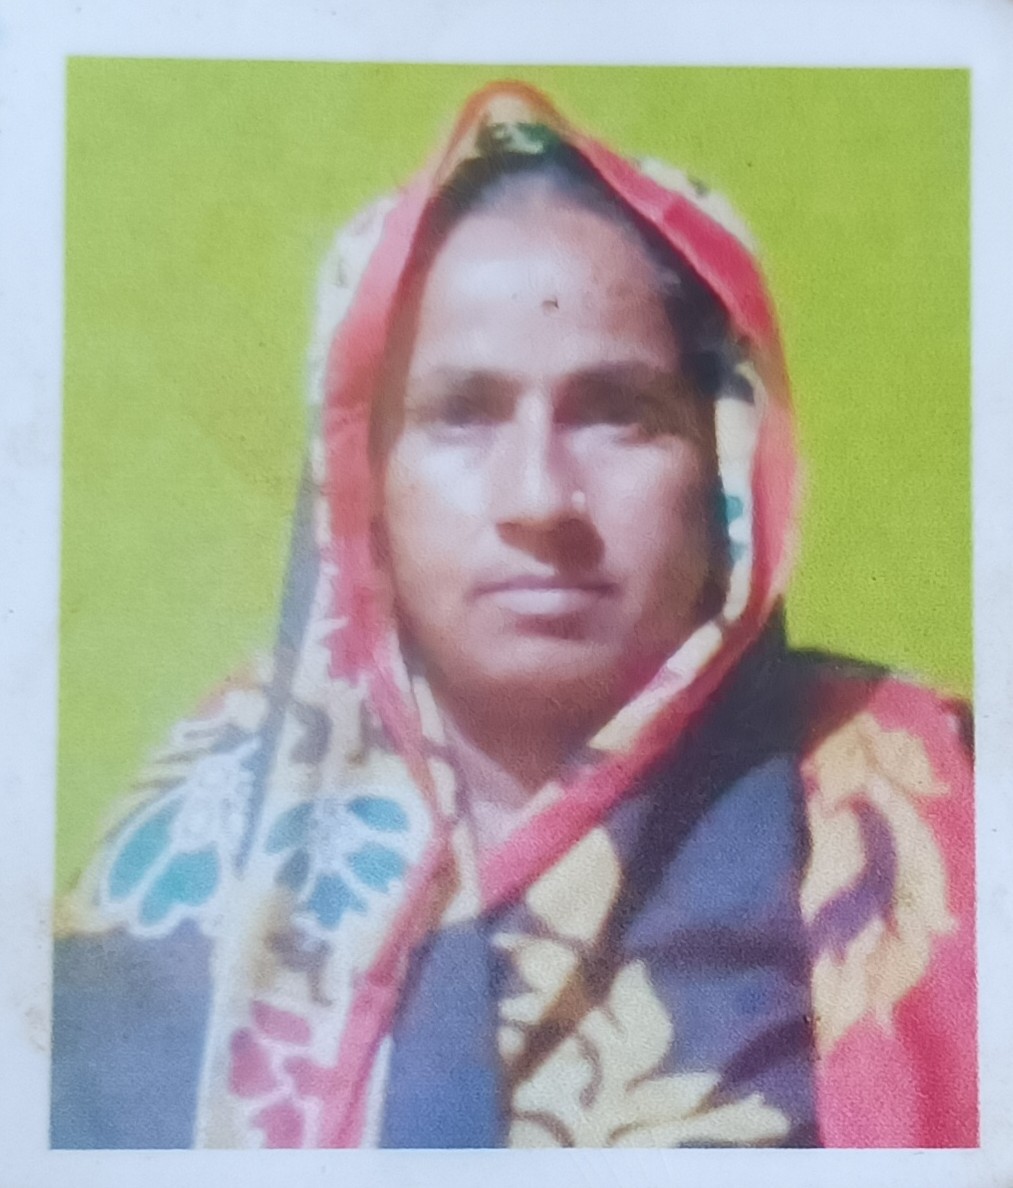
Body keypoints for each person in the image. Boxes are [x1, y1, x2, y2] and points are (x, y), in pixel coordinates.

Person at [50, 81, 976, 1149]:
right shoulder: (201, 840)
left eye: (619, 413)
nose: (538, 499)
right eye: (459, 414)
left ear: (722, 459)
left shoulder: (940, 803)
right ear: (359, 476)